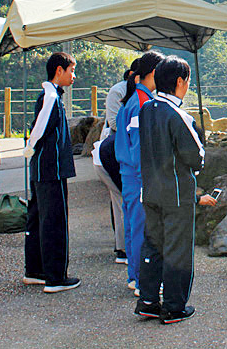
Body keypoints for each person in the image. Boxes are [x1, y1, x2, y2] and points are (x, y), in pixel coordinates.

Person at [134, 55, 216, 324]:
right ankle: (173, 306)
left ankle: (147, 301)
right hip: (177, 194)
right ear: (180, 82)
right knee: (178, 250)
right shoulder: (179, 116)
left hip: (151, 190)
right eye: (188, 80)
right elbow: (196, 156)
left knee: (153, 246)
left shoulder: (147, 109)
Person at [22, 51, 80, 293]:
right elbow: (39, 129)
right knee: (54, 221)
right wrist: (29, 148)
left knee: (38, 218)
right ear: (59, 70)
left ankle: (35, 270)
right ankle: (55, 277)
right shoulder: (50, 96)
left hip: (42, 169)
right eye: (71, 71)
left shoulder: (52, 95)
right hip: (51, 169)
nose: (74, 76)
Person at [115, 51, 163, 293]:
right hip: (138, 175)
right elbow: (140, 148)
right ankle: (144, 280)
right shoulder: (143, 103)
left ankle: (135, 276)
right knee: (143, 229)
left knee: (133, 227)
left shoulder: (132, 100)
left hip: (128, 174)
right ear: (154, 72)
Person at [92, 65, 134, 265]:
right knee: (121, 199)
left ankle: (124, 246)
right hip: (112, 151)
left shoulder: (140, 94)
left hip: (119, 151)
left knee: (123, 199)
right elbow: (115, 124)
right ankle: (123, 249)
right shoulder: (120, 91)